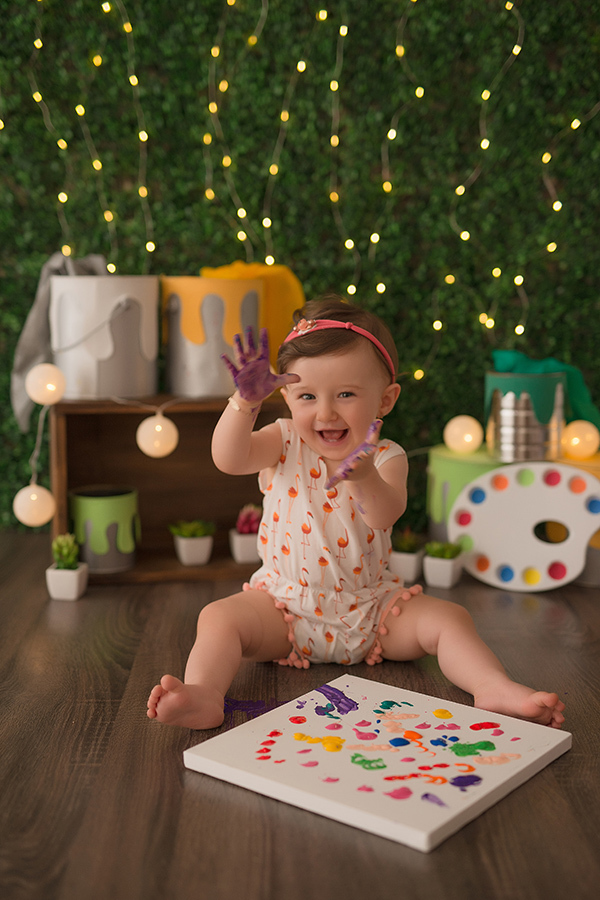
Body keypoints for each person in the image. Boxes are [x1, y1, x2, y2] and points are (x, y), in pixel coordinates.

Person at [147, 296, 565, 730]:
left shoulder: (386, 456)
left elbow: (384, 515)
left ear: (385, 400)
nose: (325, 412)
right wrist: (244, 403)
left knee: (449, 620)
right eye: (307, 395)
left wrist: (362, 475)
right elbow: (228, 458)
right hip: (283, 608)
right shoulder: (283, 440)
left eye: (346, 394)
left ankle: (491, 686)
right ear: (287, 397)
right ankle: (204, 694)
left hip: (375, 611)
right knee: (218, 617)